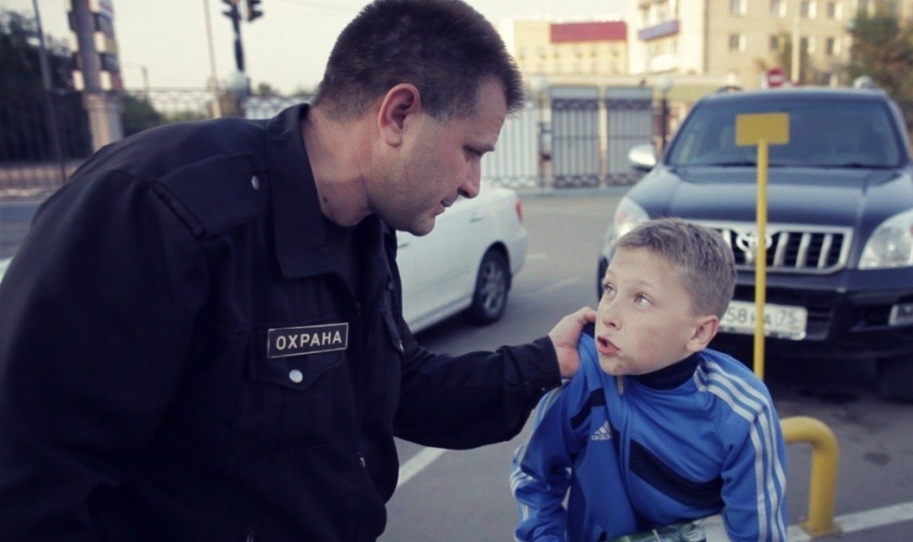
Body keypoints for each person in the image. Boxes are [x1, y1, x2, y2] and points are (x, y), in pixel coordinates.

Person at [0, 1, 595, 540]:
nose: (472, 185)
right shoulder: (160, 210)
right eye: (471, 151)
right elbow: (34, 485)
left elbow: (397, 387)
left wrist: (545, 362)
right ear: (398, 114)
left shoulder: (367, 224)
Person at [510, 218, 787, 542]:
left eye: (641, 299)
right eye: (610, 289)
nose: (609, 316)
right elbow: (535, 475)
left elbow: (758, 533)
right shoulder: (582, 379)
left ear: (699, 332)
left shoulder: (742, 411)